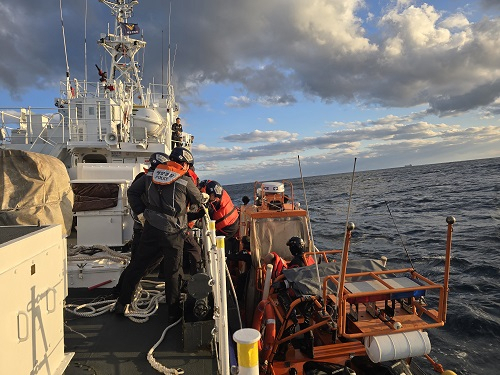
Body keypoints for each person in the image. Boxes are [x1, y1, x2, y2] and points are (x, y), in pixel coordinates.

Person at [114, 147, 203, 321]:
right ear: (184, 164)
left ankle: (122, 303)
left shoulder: (150, 175)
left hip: (151, 228)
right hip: (173, 232)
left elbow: (132, 192)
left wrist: (141, 213)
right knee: (173, 272)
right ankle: (173, 312)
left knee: (138, 265)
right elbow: (198, 200)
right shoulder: (185, 180)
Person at [199, 180, 240, 254]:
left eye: (213, 197)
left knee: (216, 247)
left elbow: (207, 214)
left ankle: (221, 259)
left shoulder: (216, 202)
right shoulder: (219, 192)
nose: (214, 199)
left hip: (228, 227)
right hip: (233, 220)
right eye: (212, 197)